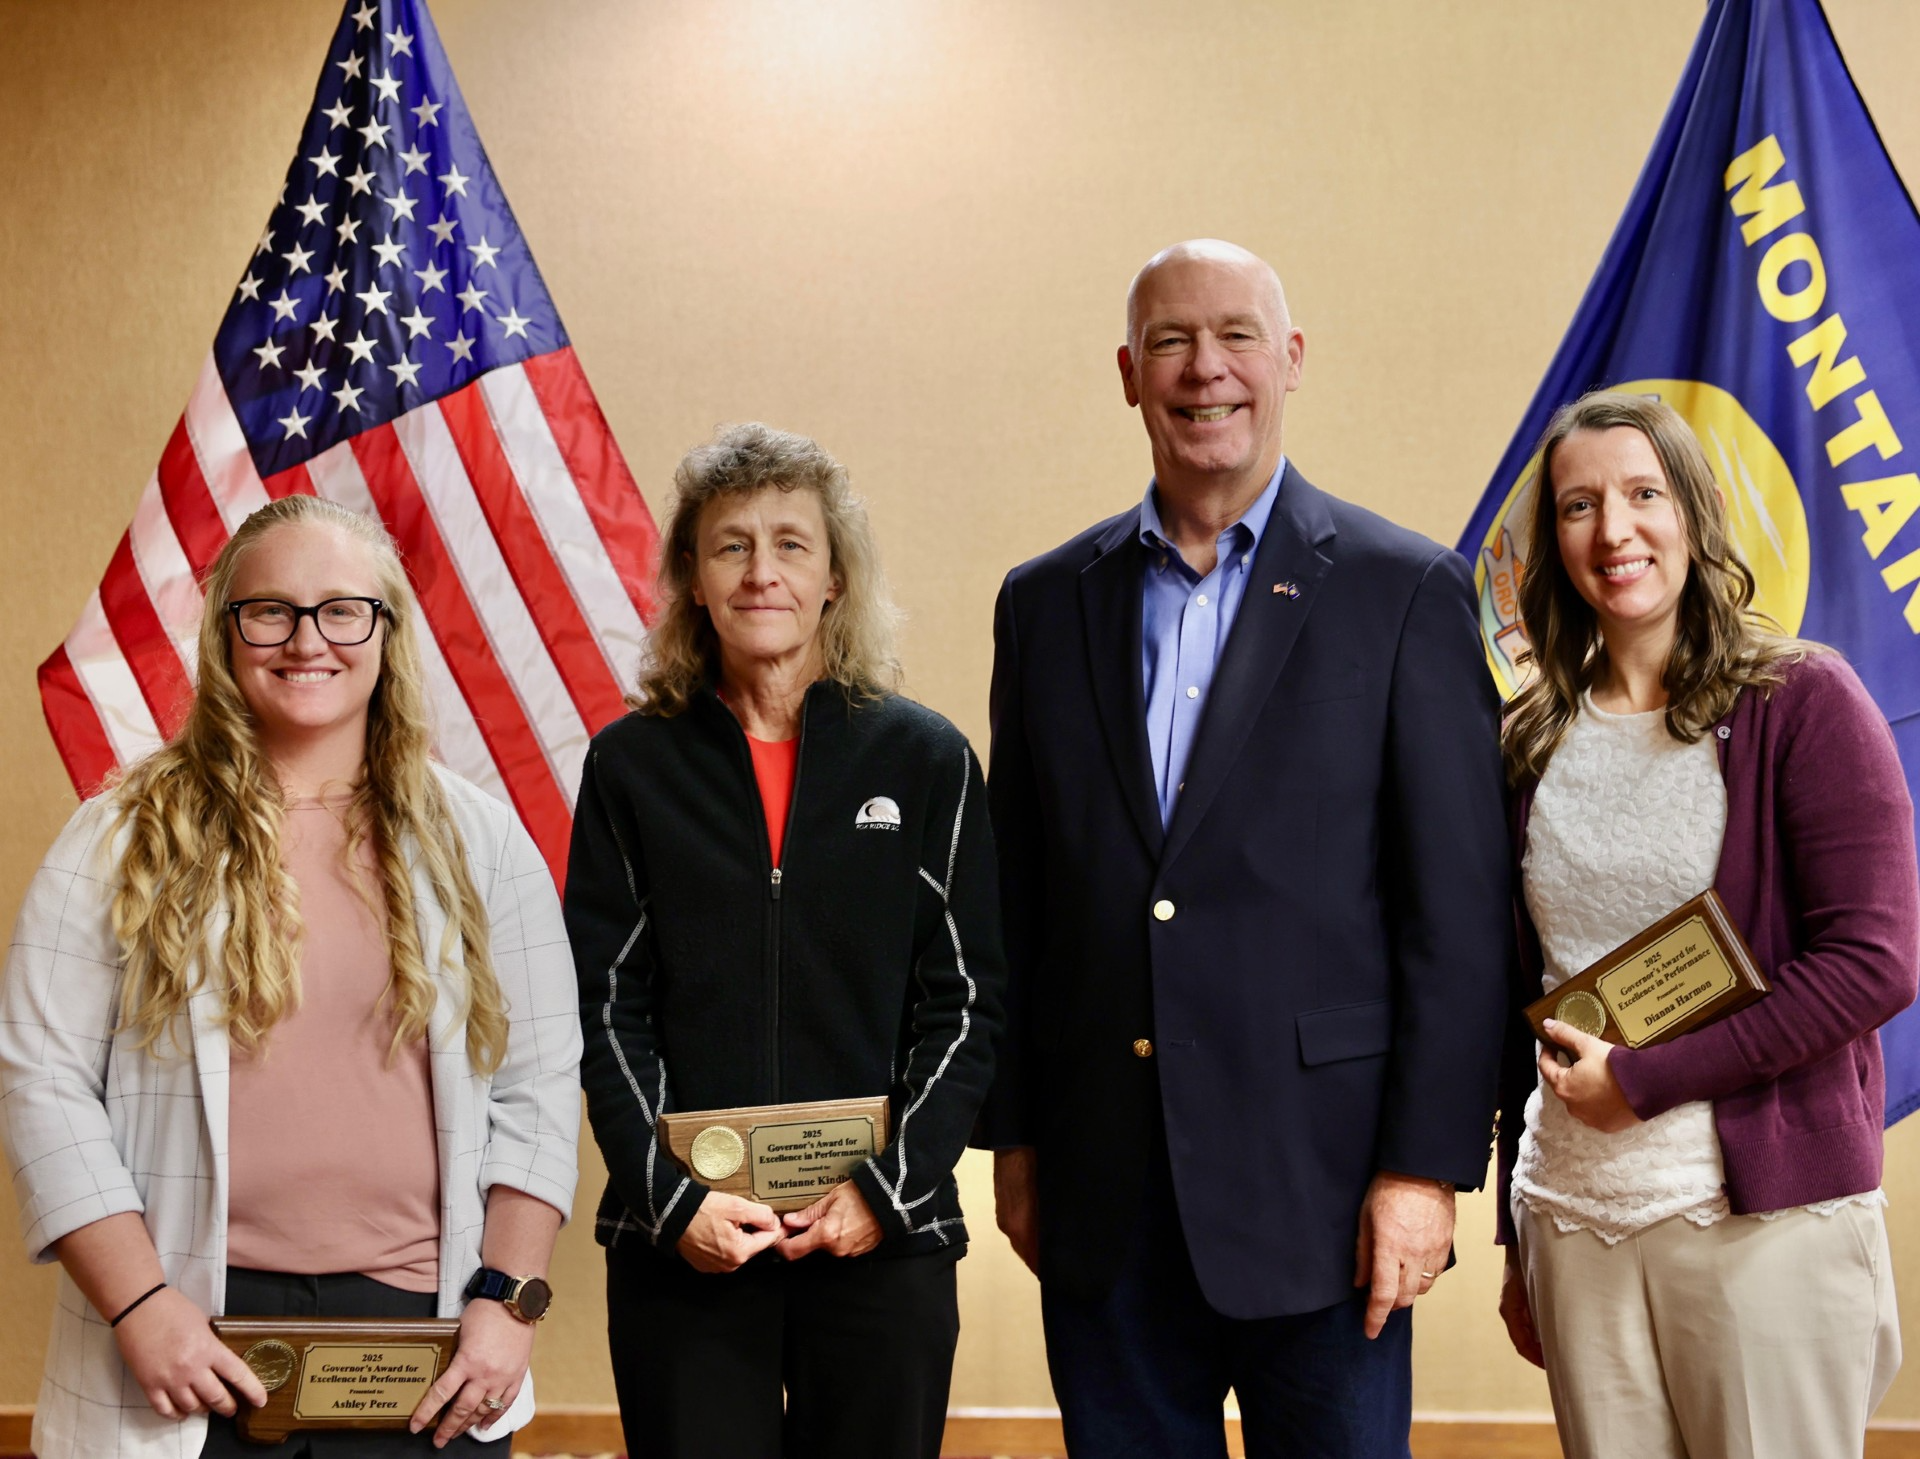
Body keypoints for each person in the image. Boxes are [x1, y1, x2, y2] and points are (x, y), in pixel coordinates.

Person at [973, 238, 1512, 1457]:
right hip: (1103, 1193)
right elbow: (1017, 895)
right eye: (1170, 341)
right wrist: (1015, 1137)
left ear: (1292, 361)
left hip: (1325, 1196)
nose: (1203, 368)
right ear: (1127, 373)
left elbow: (1460, 920)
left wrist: (1426, 1172)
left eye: (1235, 337)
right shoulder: (1045, 602)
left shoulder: (1407, 590)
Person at [0, 495, 582, 1459]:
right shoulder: (115, 837)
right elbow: (45, 1084)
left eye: (342, 609)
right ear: (226, 633)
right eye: (269, 609)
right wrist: (142, 1304)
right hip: (187, 1334)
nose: (306, 639)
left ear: (385, 631)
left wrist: (509, 1303)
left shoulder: (481, 841)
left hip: (428, 1347)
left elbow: (539, 1081)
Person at [565, 422, 1006, 1459]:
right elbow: (602, 1006)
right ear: (692, 577)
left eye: (791, 544)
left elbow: (969, 1002)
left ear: (834, 580)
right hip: (687, 1246)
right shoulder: (633, 768)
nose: (762, 571)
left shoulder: (926, 757)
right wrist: (672, 1205)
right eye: (731, 545)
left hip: (880, 1244)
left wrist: (883, 1196)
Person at [1495, 389, 1915, 1459]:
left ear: (1696, 509)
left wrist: (1644, 1082)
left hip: (1760, 1225)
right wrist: (1513, 1224)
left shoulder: (1804, 701)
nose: (1614, 530)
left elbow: (1875, 962)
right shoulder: (1527, 736)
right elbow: (1516, 993)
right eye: (1579, 505)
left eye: (1644, 493)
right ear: (1553, 539)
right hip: (1575, 1220)